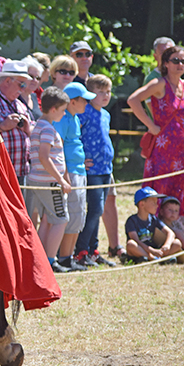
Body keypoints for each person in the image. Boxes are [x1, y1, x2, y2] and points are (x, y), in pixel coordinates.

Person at [127, 46, 184, 218]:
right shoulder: (160, 83)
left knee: (178, 189)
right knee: (159, 189)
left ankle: (175, 228)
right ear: (166, 63)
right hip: (161, 149)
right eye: (175, 60)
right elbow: (133, 100)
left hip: (179, 149)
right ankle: (153, 226)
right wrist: (150, 125)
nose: (180, 64)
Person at [24, 87, 72, 273]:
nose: (64, 113)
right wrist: (61, 180)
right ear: (53, 109)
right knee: (61, 219)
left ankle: (42, 259)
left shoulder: (38, 126)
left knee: (46, 220)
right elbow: (44, 157)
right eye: (62, 110)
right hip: (49, 183)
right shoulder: (47, 129)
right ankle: (50, 261)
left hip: (37, 180)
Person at [75, 75, 117, 267]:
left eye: (108, 92)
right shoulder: (84, 112)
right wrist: (80, 158)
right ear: (90, 94)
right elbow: (75, 136)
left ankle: (93, 250)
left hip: (105, 168)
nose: (105, 95)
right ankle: (81, 249)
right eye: (100, 92)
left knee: (98, 209)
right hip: (91, 170)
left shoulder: (106, 114)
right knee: (95, 209)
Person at [53, 82, 95, 272]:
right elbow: (59, 147)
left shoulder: (75, 118)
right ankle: (63, 257)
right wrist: (65, 175)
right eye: (84, 100)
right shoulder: (62, 120)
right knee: (71, 214)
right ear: (72, 102)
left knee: (78, 215)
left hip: (79, 171)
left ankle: (68, 256)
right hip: (70, 173)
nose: (87, 103)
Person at [0, 61, 33, 185]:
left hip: (20, 172)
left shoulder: (20, 104)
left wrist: (28, 129)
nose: (23, 89)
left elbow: (31, 131)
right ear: (7, 81)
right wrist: (1, 126)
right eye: (21, 84)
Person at [125, 187, 183, 262]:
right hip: (141, 249)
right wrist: (152, 251)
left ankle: (159, 258)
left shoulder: (153, 218)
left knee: (177, 243)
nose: (157, 206)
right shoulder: (132, 220)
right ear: (142, 204)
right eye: (154, 203)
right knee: (131, 244)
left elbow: (170, 233)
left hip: (154, 250)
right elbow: (135, 240)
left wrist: (167, 245)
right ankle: (153, 258)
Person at [157, 196, 184, 264]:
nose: (173, 213)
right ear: (161, 211)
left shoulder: (178, 225)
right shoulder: (159, 224)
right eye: (170, 210)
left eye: (176, 211)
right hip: (164, 248)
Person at [20, 56, 45, 121]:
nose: (35, 80)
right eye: (30, 76)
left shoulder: (34, 97)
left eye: (37, 78)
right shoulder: (15, 97)